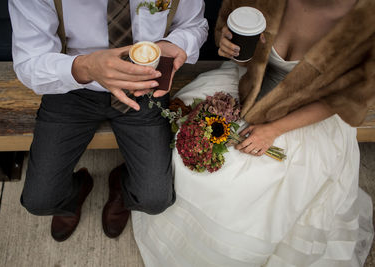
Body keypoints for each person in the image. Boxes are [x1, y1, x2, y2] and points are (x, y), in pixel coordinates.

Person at [132, 0, 375, 266]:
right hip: (244, 86)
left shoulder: (367, 22)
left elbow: (344, 100)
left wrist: (273, 130)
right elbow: (239, 46)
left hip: (305, 115)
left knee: (255, 184)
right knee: (185, 147)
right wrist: (230, 46)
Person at [8, 0, 208, 242]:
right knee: (40, 201)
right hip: (70, 84)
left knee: (155, 200)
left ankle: (121, 186)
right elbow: (29, 63)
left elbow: (194, 25)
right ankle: (75, 190)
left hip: (143, 85)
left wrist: (174, 44)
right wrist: (85, 67)